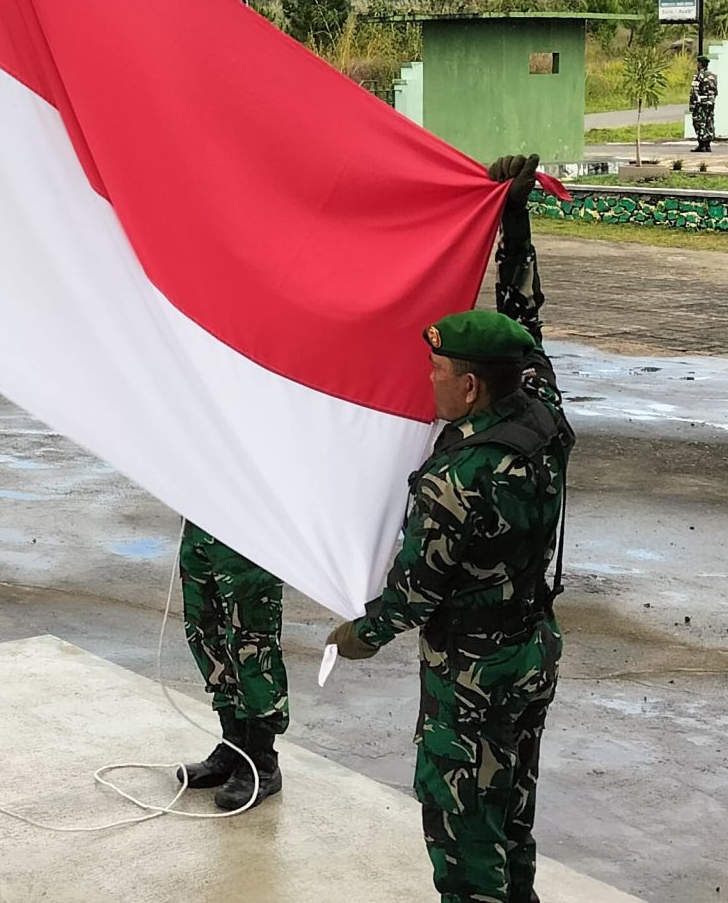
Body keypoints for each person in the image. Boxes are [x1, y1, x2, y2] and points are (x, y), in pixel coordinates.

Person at [327, 160, 572, 903]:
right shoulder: (542, 414)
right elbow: (524, 323)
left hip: (470, 676)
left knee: (463, 824)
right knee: (513, 808)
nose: (426, 380)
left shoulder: (456, 478)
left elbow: (415, 594)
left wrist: (358, 635)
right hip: (531, 651)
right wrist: (514, 222)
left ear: (468, 386)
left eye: (436, 371)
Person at [173, 521, 287, 810]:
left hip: (249, 527)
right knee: (206, 632)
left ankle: (261, 762)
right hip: (200, 520)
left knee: (252, 644)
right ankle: (235, 746)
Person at [689, 57, 718, 153]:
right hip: (710, 103)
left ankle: (702, 144)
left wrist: (692, 105)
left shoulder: (698, 76)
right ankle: (708, 144)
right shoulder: (713, 76)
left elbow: (694, 91)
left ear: (700, 64)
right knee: (709, 122)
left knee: (699, 122)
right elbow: (715, 91)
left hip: (700, 103)